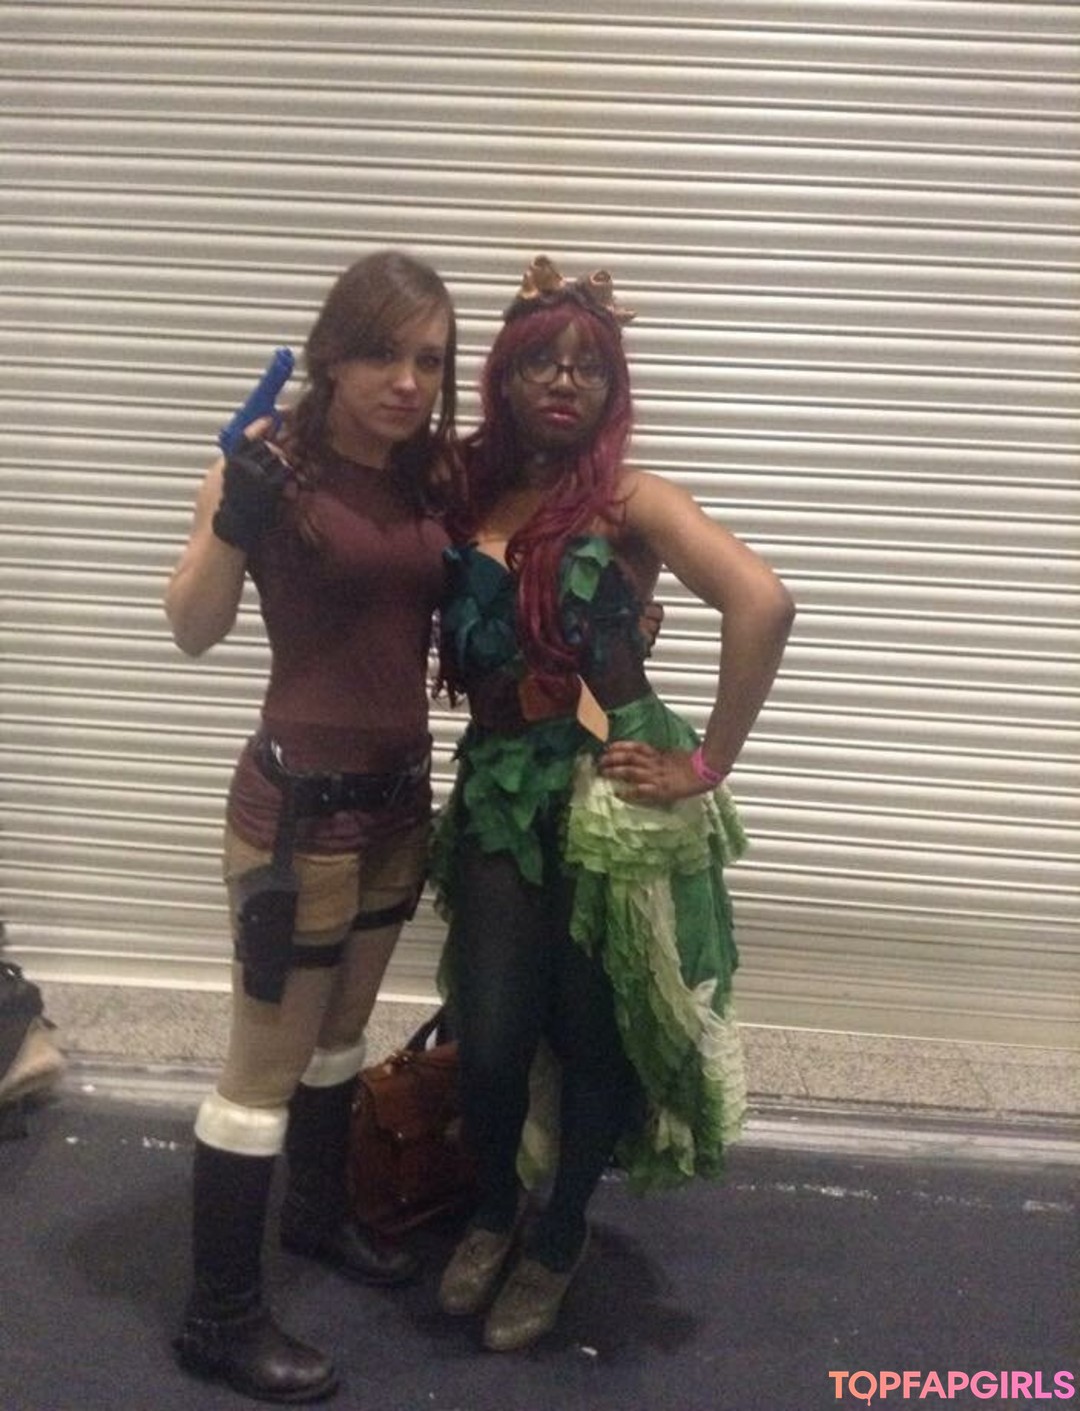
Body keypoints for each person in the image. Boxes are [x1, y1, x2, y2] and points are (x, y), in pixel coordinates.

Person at [431, 255, 796, 1353]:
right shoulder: (462, 487)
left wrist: (706, 764)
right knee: (491, 1034)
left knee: (593, 1031)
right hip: (499, 787)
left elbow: (763, 602)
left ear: (612, 387)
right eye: (542, 360)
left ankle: (559, 1234)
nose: (564, 380)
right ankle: (495, 1206)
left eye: (588, 366)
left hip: (609, 794)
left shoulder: (631, 501)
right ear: (502, 375)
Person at [164, 249, 459, 1403]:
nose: (406, 381)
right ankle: (218, 1317)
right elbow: (192, 627)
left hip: (396, 806)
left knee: (343, 1034)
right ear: (331, 354)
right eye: (382, 353)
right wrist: (232, 519)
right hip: (295, 819)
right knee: (262, 1070)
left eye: (429, 359)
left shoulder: (428, 479)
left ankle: (319, 1216)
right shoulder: (265, 469)